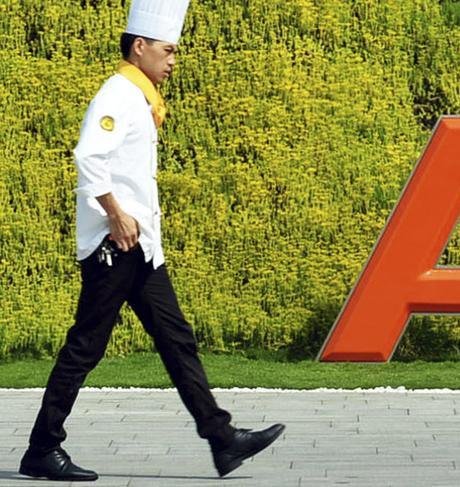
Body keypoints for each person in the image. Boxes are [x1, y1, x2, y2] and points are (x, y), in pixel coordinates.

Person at [18, 0, 284, 481]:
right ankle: (42, 448)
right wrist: (116, 215)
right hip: (114, 245)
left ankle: (222, 440)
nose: (173, 60)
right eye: (167, 50)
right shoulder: (117, 95)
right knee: (85, 347)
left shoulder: (138, 97)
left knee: (176, 339)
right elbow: (88, 158)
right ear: (139, 47)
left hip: (140, 248)